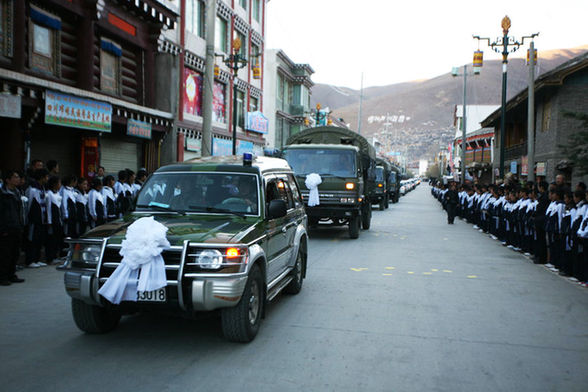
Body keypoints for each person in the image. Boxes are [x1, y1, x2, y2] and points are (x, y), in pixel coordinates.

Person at [0, 170, 26, 285]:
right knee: (5, 254)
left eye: (18, 177)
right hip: (6, 228)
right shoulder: (2, 194)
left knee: (15, 253)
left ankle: (12, 274)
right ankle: (3, 276)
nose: (18, 179)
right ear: (8, 180)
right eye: (15, 177)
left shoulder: (17, 192)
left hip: (17, 226)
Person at [25, 168, 49, 268]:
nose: (47, 178)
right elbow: (29, 204)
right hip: (34, 219)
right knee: (33, 239)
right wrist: (27, 218)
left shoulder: (42, 188)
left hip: (42, 218)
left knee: (39, 239)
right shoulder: (32, 189)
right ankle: (30, 260)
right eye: (46, 176)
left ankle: (36, 259)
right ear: (42, 177)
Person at [45, 176, 63, 264]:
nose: (60, 185)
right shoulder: (49, 194)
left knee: (57, 239)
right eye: (59, 183)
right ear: (54, 184)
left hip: (58, 219)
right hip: (52, 220)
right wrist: (49, 221)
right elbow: (48, 208)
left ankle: (55, 256)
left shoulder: (57, 193)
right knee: (51, 240)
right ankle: (50, 258)